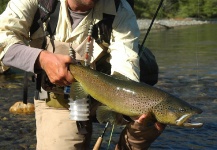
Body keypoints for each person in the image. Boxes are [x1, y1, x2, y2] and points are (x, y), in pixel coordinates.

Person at [0, 0, 166, 149]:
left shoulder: (120, 8)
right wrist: (41, 59)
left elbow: (126, 67)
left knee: (148, 125)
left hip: (107, 96)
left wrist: (131, 110)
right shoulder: (34, 2)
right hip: (58, 100)